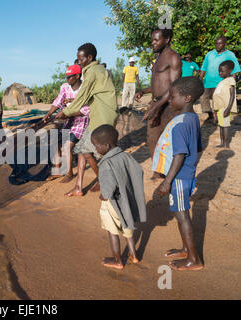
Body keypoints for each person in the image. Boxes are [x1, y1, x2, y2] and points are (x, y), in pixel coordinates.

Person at [152, 76, 204, 271]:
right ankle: (186, 249)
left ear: (187, 98)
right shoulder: (192, 118)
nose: (170, 101)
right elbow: (197, 147)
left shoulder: (181, 124)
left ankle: (194, 259)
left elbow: (179, 155)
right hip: (186, 174)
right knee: (181, 213)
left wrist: (167, 182)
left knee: (182, 215)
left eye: (173, 97)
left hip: (180, 177)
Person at [55, 42, 118, 196]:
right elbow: (89, 94)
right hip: (98, 116)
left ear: (90, 58)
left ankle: (107, 182)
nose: (79, 62)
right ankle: (79, 187)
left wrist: (66, 112)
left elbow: (83, 95)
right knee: (83, 149)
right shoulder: (98, 70)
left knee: (99, 153)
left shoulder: (91, 72)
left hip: (102, 117)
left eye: (81, 59)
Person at [91, 124, 146, 270]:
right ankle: (133, 255)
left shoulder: (105, 163)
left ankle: (117, 260)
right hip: (126, 201)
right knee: (128, 230)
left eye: (96, 146)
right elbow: (138, 172)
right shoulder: (126, 156)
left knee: (112, 231)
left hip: (113, 203)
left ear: (106, 145)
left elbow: (108, 190)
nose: (95, 149)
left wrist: (103, 196)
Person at [135, 28, 182, 178]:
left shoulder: (173, 57)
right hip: (155, 103)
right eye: (152, 40)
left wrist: (158, 104)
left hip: (168, 106)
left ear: (166, 40)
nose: (152, 43)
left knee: (168, 140)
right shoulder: (158, 58)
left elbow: (174, 86)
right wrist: (143, 91)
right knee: (152, 138)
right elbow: (157, 84)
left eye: (156, 40)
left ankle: (170, 172)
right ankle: (158, 170)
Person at [42, 64, 90, 183]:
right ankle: (58, 171)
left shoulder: (85, 88)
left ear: (78, 76)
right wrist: (49, 113)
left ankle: (69, 173)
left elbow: (86, 110)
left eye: (70, 77)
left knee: (67, 146)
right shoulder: (65, 87)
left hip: (81, 121)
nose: (67, 79)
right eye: (66, 77)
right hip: (68, 120)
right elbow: (58, 100)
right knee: (55, 142)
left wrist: (66, 114)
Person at [199, 36, 240, 121]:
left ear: (225, 44)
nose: (217, 45)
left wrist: (232, 82)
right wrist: (200, 79)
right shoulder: (209, 54)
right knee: (203, 98)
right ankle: (210, 114)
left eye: (220, 43)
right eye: (216, 43)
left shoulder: (230, 55)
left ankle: (216, 116)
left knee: (216, 101)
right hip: (207, 82)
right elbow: (204, 68)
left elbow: (234, 70)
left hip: (220, 83)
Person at [212, 60, 237, 148]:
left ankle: (226, 144)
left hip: (225, 107)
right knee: (221, 126)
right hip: (219, 108)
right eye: (219, 71)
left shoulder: (231, 80)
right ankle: (222, 142)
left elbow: (232, 96)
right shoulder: (222, 81)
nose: (220, 73)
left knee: (225, 126)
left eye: (222, 71)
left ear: (230, 71)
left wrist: (228, 109)